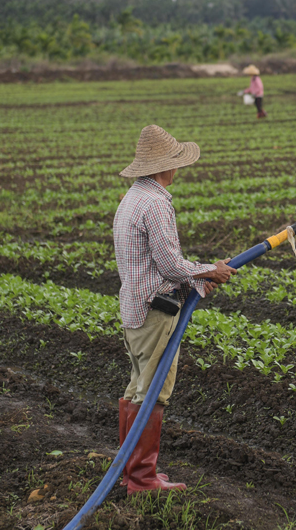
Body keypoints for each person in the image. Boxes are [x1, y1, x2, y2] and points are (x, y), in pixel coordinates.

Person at [114, 124, 237, 495]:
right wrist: (207, 270)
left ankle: (131, 472)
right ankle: (141, 479)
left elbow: (158, 265)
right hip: (155, 314)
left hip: (135, 309)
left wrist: (201, 278)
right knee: (153, 392)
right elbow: (169, 265)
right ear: (165, 167)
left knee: (138, 388)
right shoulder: (155, 203)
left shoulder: (133, 198)